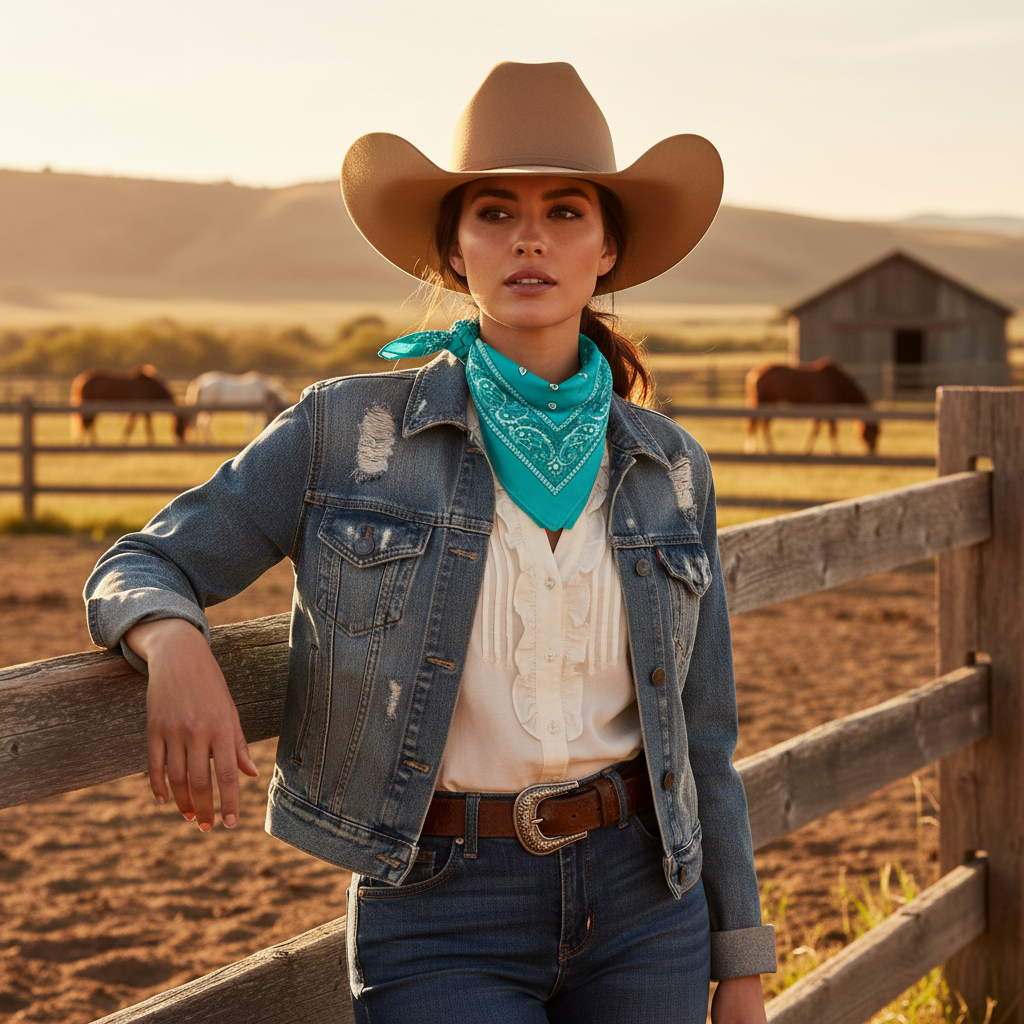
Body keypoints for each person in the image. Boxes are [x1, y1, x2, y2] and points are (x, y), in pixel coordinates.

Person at [85, 61, 775, 1023]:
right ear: (455, 250)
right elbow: (143, 561)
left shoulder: (671, 467)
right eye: (493, 212)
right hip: (441, 901)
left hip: (646, 898)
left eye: (566, 211)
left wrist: (738, 959)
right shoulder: (347, 436)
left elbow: (704, 738)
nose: (529, 237)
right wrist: (172, 642)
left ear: (608, 248)